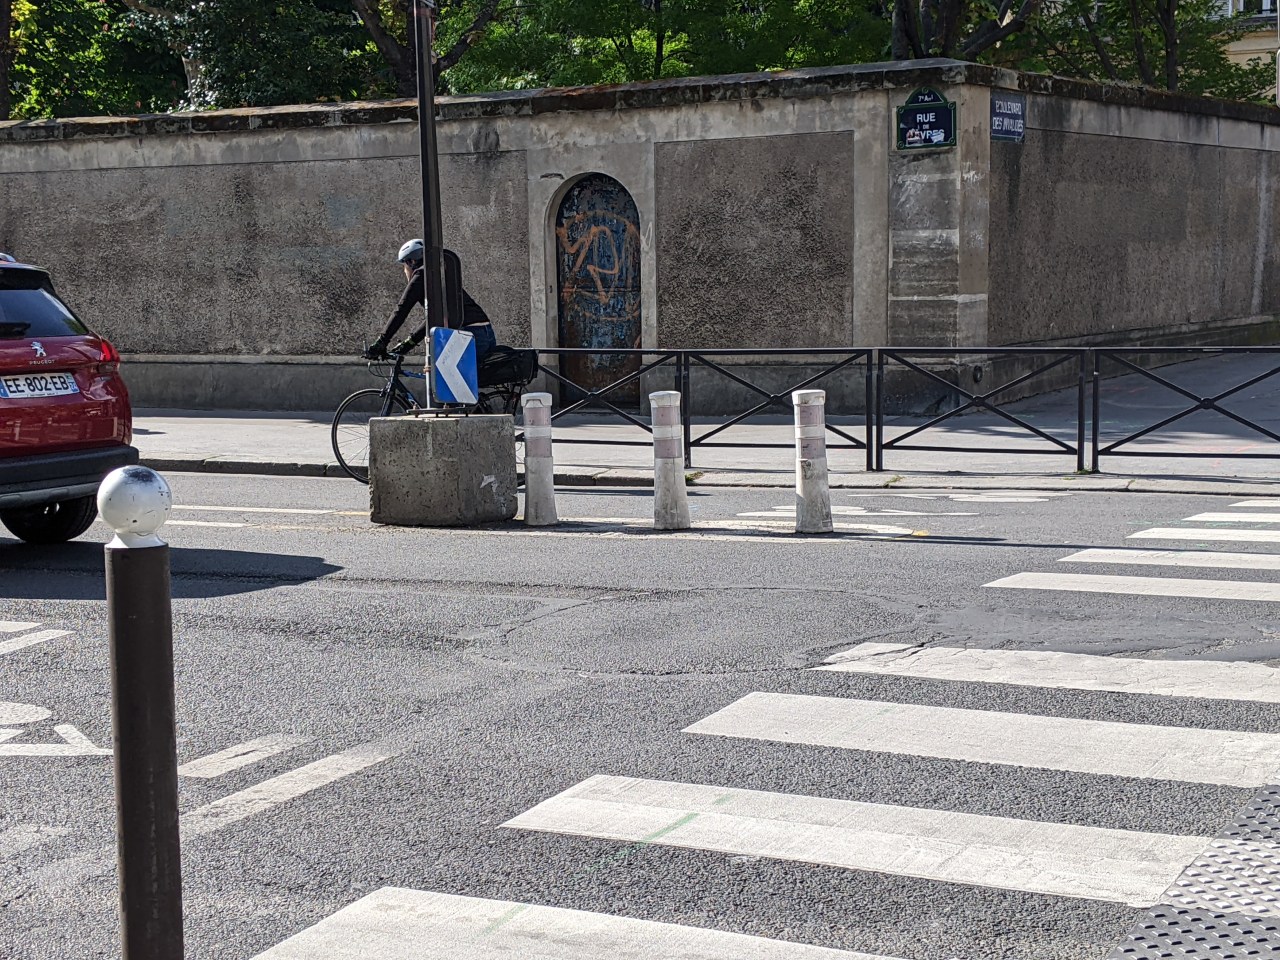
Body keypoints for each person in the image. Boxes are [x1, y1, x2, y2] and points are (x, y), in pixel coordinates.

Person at [362, 239, 497, 361]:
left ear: (411, 262)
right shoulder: (436, 274)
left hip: (468, 333)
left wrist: (381, 342)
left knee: (445, 377)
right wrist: (409, 343)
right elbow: (435, 315)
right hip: (485, 332)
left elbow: (402, 309)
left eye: (404, 266)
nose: (404, 271)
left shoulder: (421, 275)